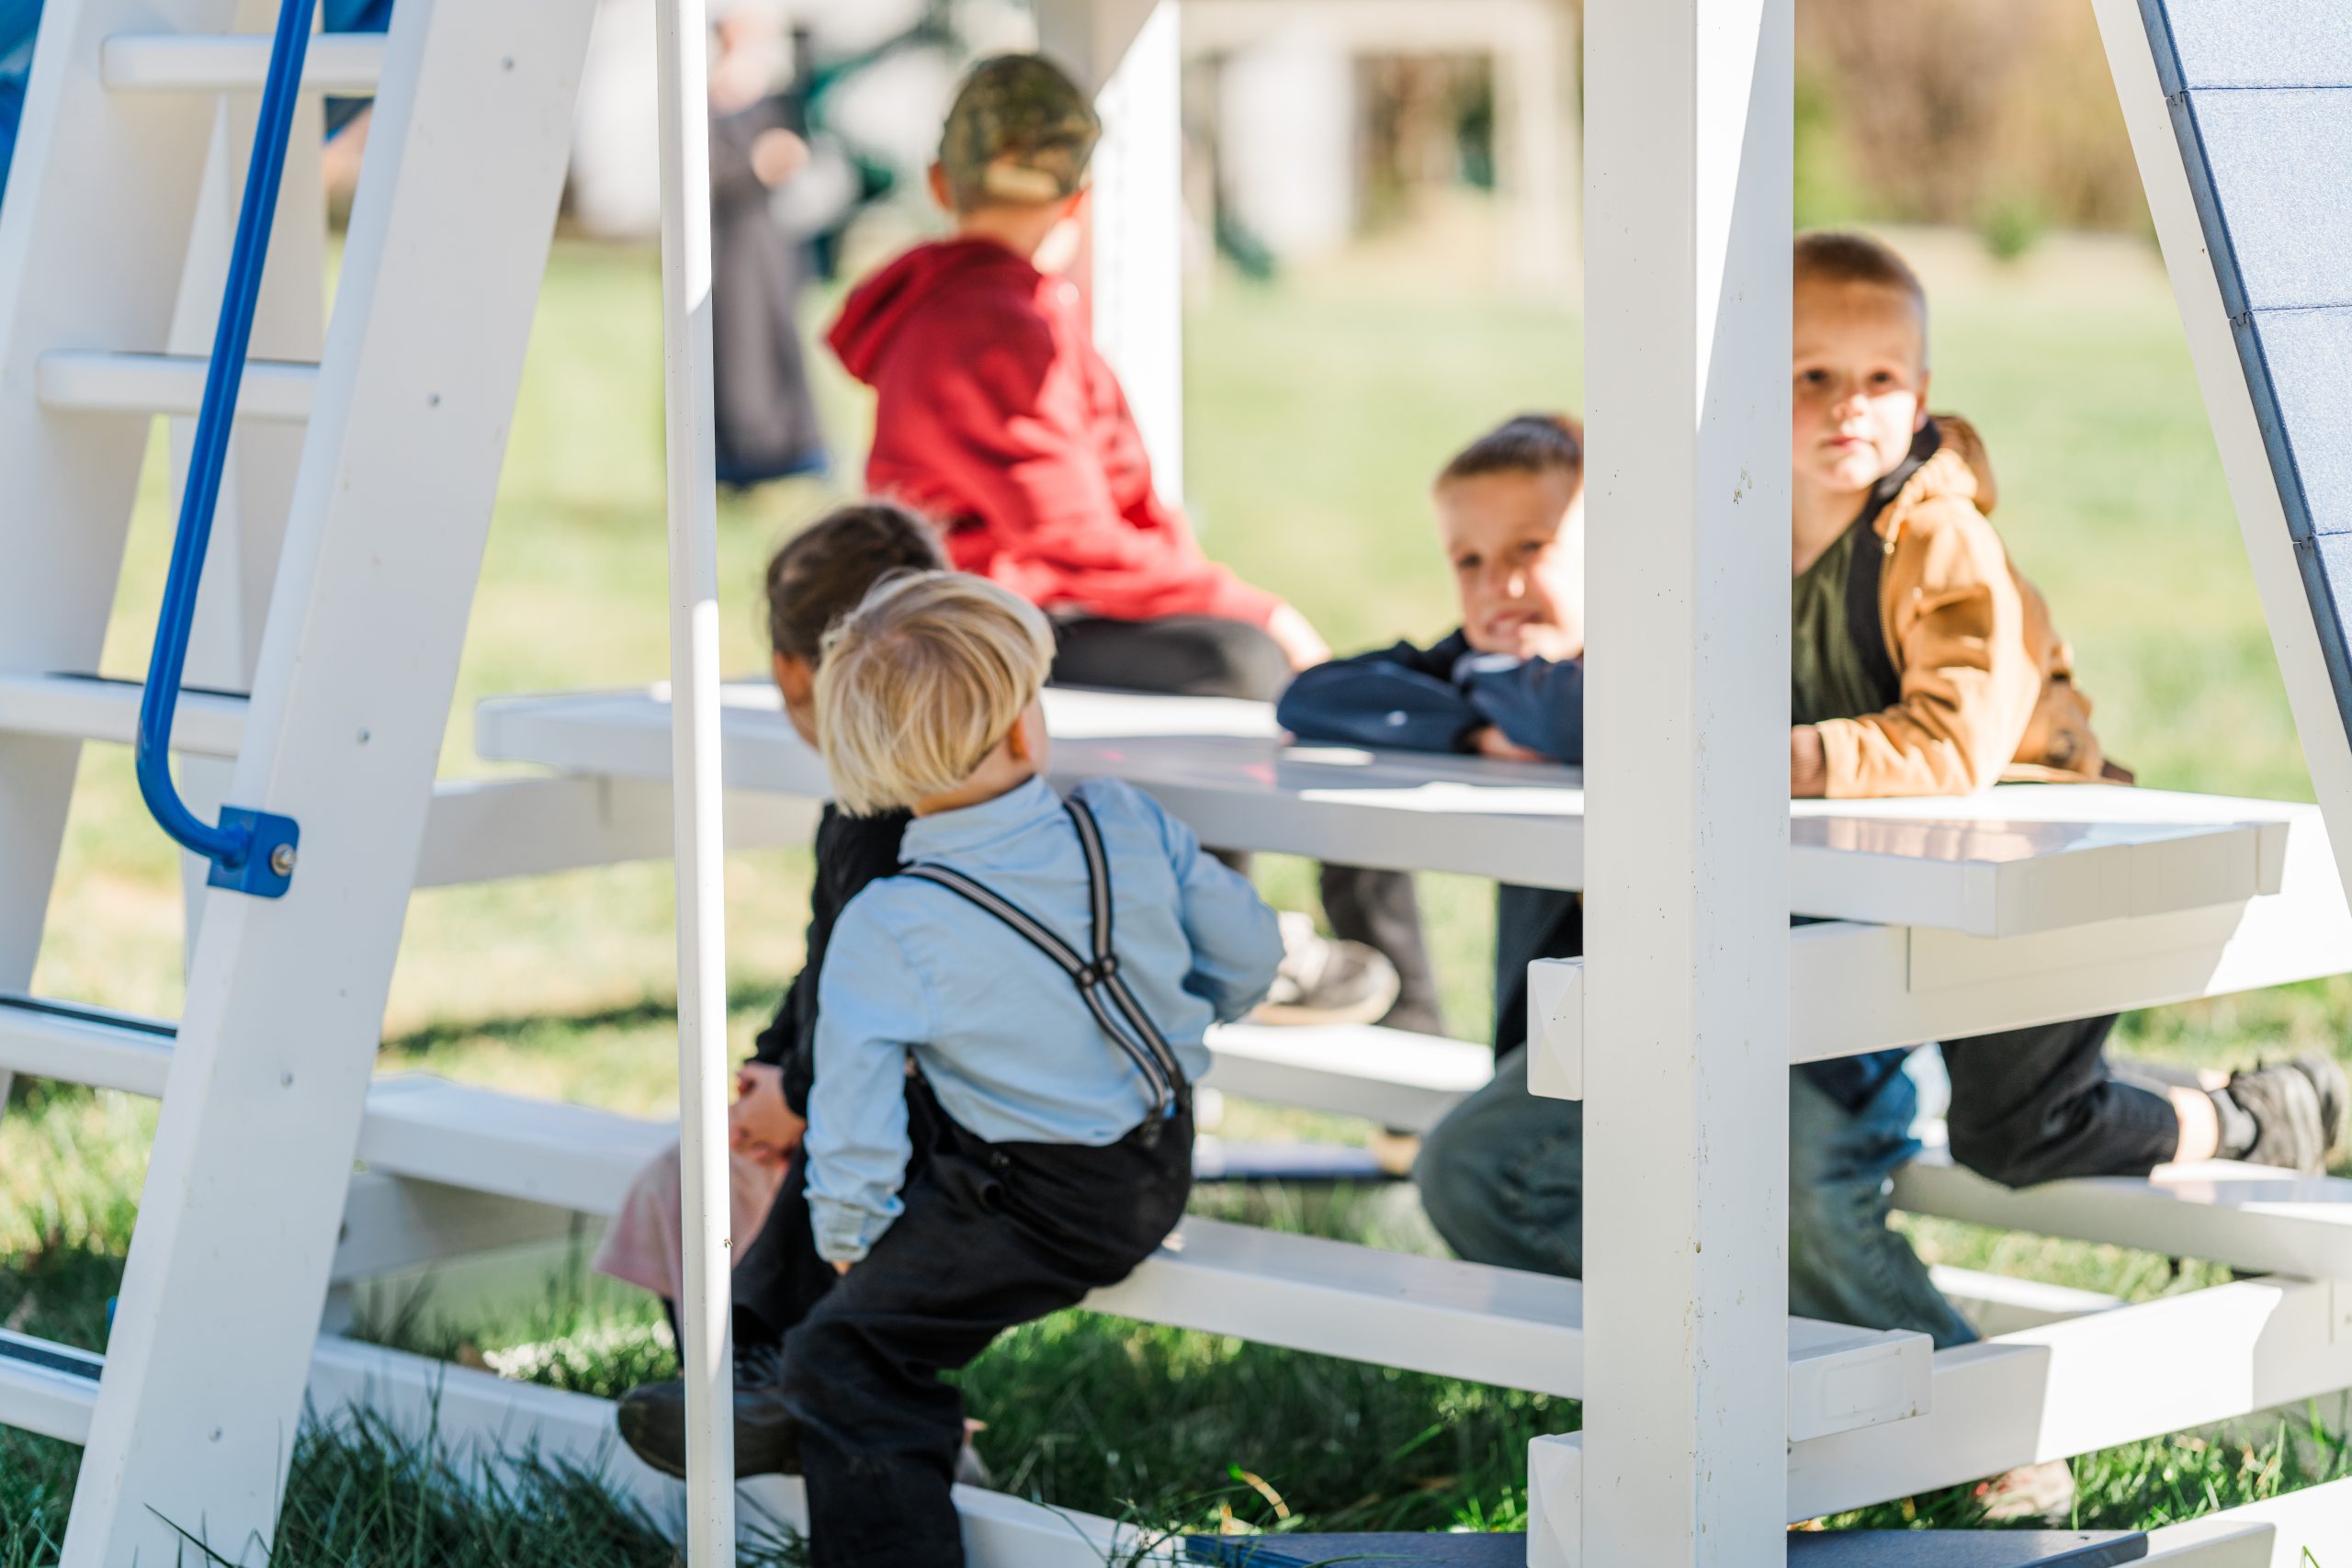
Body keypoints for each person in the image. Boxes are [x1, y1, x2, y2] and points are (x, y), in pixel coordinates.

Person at [647, 570, 1278, 1568]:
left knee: (851, 1355)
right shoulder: (1119, 818)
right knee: (898, 1181)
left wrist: (850, 1241)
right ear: (1025, 727)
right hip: (1152, 1148)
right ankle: (766, 1366)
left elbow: (851, 1118)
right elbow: (1249, 949)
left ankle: (802, 1392)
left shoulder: (889, 923)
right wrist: (1193, 1010)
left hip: (1038, 1201)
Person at [822, 51, 1438, 1036]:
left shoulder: (975, 305)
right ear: (1079, 197)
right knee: (1251, 665)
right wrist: (1256, 606)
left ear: (939, 184)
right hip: (997, 633)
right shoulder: (992, 319)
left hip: (1001, 613)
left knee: (1297, 679)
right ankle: (1255, 958)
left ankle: (1292, 965)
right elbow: (1066, 537)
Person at [600, 501, 942, 1420]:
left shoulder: (883, 819)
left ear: (796, 671)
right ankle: (762, 1401)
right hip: (852, 1101)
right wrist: (774, 1071)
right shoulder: (900, 801)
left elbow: (872, 999)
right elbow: (826, 971)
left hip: (892, 1127)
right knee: (705, 1173)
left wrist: (794, 1093)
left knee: (692, 1188)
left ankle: (758, 1406)